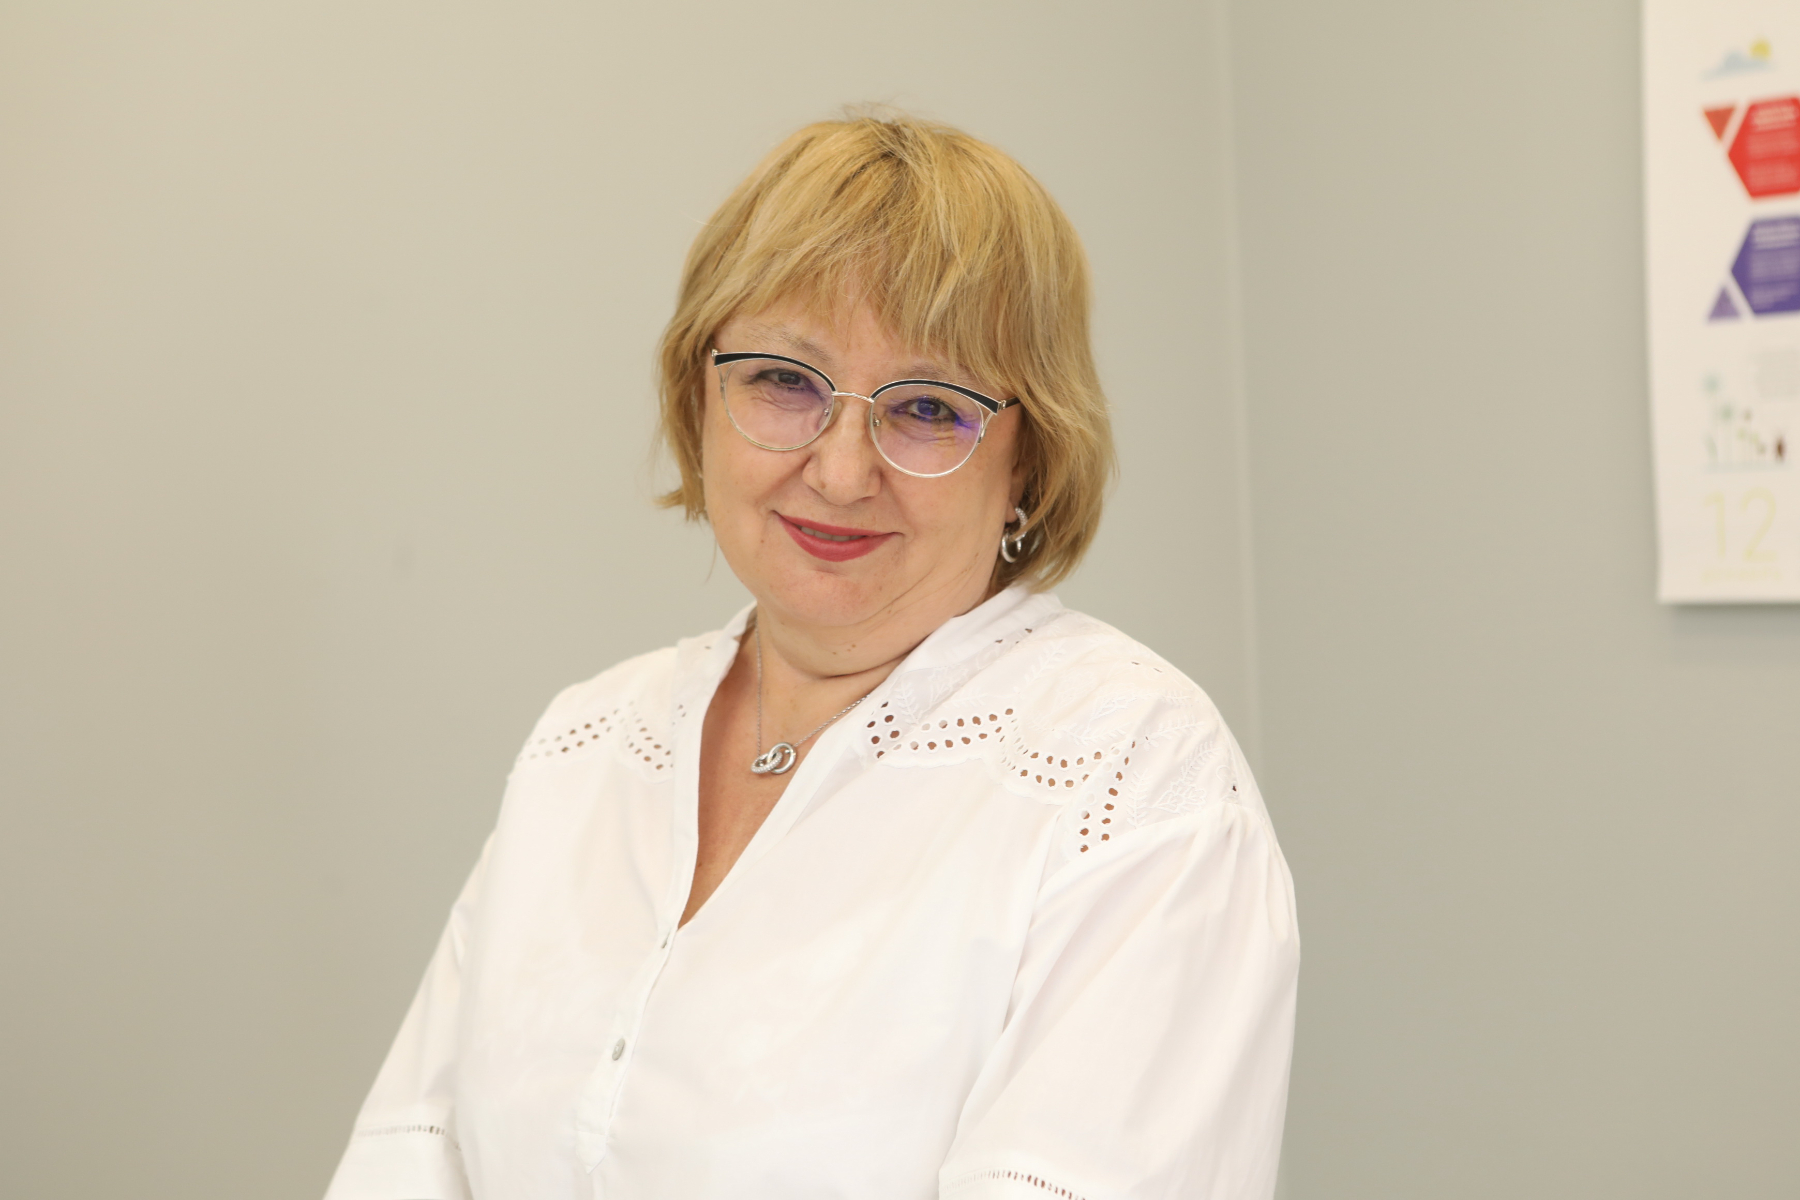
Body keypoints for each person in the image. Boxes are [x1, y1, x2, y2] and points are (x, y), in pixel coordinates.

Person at [324, 112, 1298, 1200]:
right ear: (699, 397)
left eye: (927, 407)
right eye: (786, 382)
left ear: (1030, 456)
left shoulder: (1133, 779)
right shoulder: (585, 746)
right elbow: (409, 1161)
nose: (840, 471)